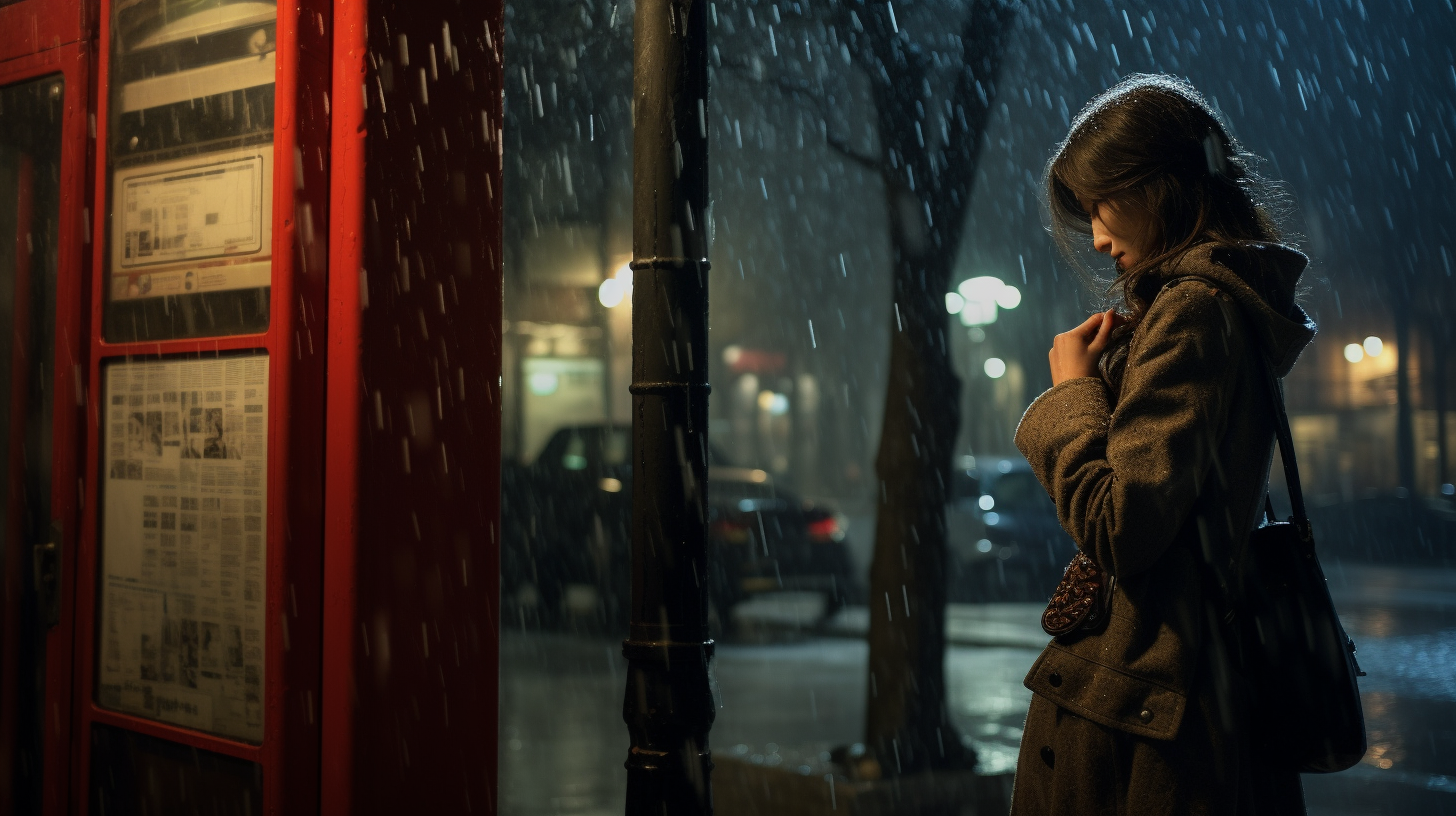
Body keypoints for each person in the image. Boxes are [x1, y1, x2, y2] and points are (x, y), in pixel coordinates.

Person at [1009, 74, 1316, 814]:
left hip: (1150, 723)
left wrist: (1070, 394)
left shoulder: (1194, 311)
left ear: (1157, 187)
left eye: (1100, 208)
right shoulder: (1219, 306)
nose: (1101, 239)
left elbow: (1122, 523)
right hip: (1186, 698)